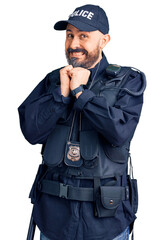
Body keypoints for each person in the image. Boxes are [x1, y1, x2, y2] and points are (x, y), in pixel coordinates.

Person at [18, 4, 146, 240]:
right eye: (69, 35)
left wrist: (81, 93)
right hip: (53, 221)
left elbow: (119, 132)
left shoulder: (129, 80)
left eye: (83, 36)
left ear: (104, 40)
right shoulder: (53, 80)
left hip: (106, 223)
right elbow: (31, 132)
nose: (73, 44)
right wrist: (61, 95)